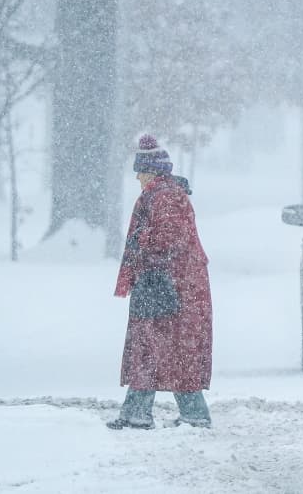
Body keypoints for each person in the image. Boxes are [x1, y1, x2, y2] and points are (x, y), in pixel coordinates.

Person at [107, 134, 213, 430]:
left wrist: (141, 246)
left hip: (171, 287)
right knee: (165, 350)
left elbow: (166, 239)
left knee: (161, 348)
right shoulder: (163, 193)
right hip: (170, 285)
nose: (137, 177)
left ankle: (180, 415)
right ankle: (146, 413)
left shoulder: (164, 195)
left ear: (151, 171)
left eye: (140, 171)